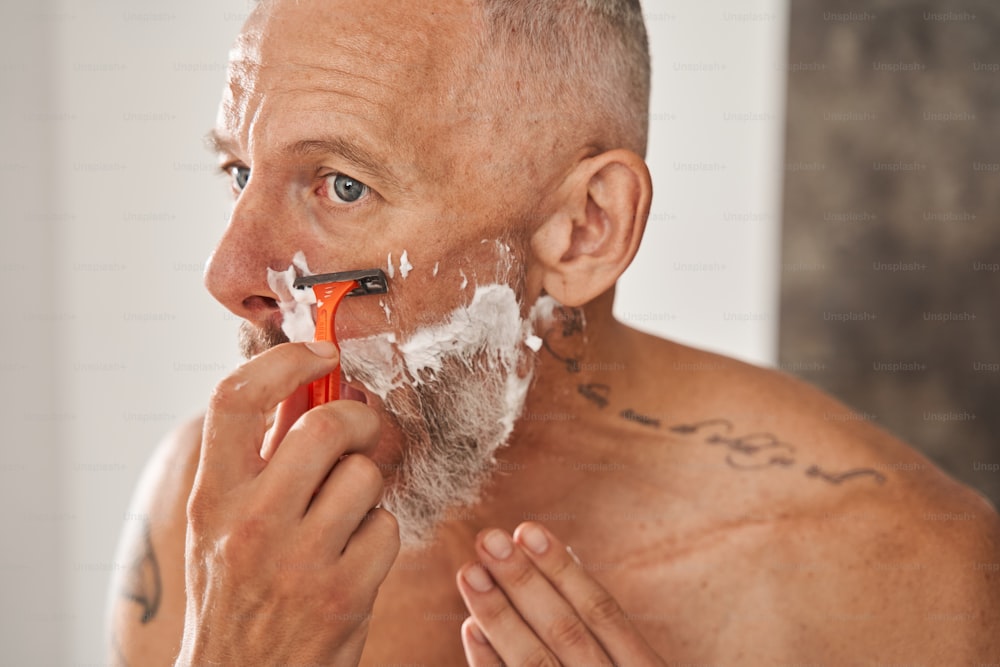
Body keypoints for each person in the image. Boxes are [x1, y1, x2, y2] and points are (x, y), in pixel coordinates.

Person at [108, 0, 1000, 664]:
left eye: (343, 185)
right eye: (238, 172)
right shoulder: (214, 520)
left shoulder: (907, 582)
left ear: (584, 229)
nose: (228, 278)